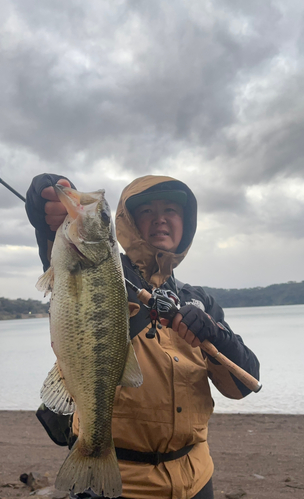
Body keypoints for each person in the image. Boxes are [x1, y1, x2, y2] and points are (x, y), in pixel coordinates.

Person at [26, 174, 260, 499]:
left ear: (185, 223)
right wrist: (45, 212)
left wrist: (215, 333)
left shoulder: (199, 300)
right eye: (147, 211)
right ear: (128, 223)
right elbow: (62, 261)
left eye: (171, 210)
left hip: (197, 477)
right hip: (119, 483)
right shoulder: (108, 271)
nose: (160, 218)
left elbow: (243, 385)